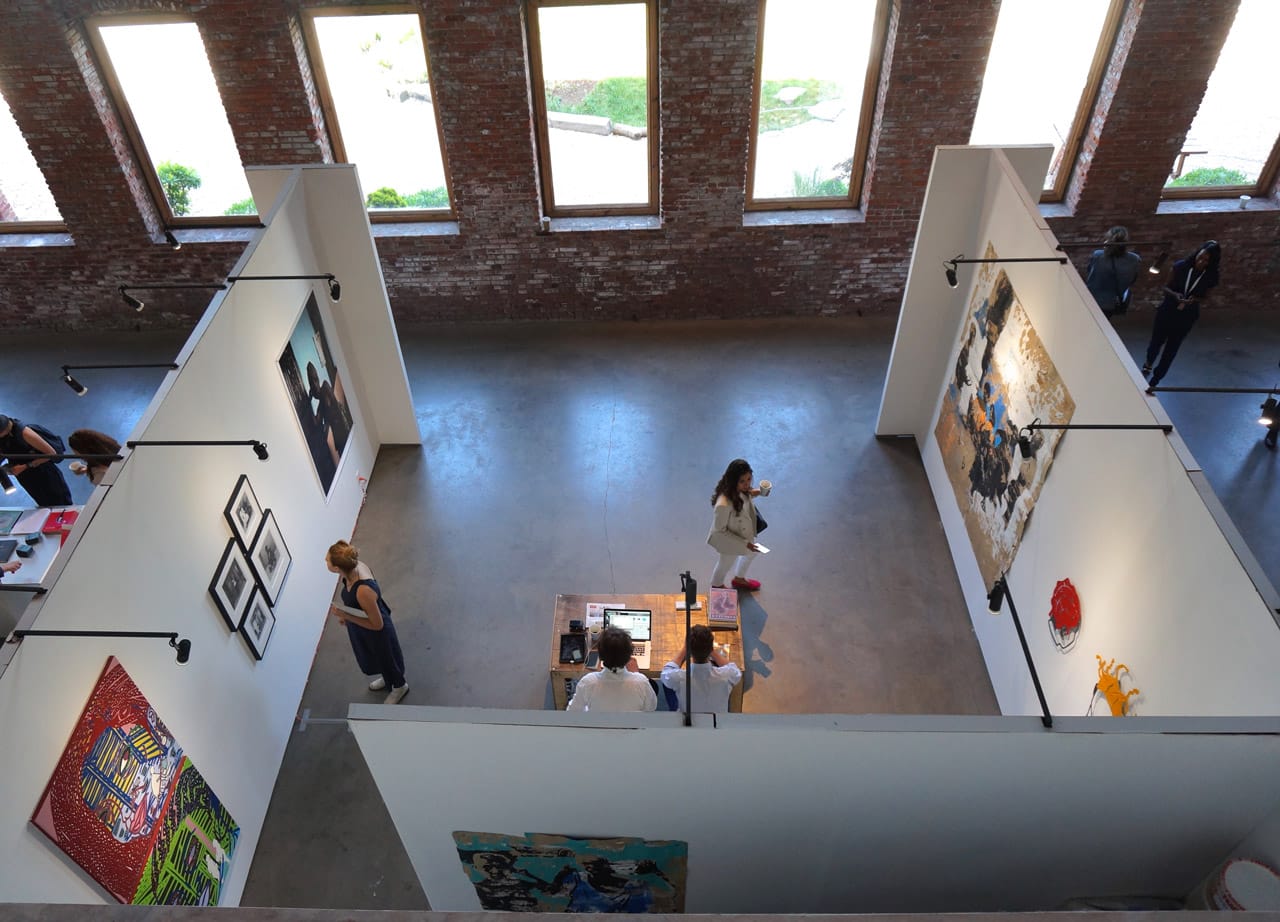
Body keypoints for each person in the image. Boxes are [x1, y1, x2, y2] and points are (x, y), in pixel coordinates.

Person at [325, 540, 409, 704]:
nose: (325, 562)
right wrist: (348, 615)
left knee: (387, 657)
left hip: (375, 630)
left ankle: (399, 686)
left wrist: (347, 616)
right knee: (377, 656)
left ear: (336, 568)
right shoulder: (353, 568)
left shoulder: (363, 590)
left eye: (327, 560)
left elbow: (378, 625)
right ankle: (387, 678)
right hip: (362, 625)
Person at [1143, 240, 1221, 389]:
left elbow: (1206, 297)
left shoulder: (1211, 277)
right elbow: (1165, 287)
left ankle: (1157, 378)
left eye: (1205, 260)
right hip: (1168, 310)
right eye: (1200, 257)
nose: (1201, 261)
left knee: (1172, 349)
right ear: (1196, 254)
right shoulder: (1180, 267)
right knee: (1156, 342)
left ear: (1210, 263)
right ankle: (1148, 363)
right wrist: (1175, 295)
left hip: (1187, 316)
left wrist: (1195, 299)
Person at [565, 626, 656, 712]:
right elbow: (651, 707)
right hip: (631, 727)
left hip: (599, 726)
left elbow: (572, 712)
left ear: (600, 656)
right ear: (629, 657)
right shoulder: (641, 682)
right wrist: (636, 674)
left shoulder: (588, 682)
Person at [708, 458, 764, 591]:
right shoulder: (723, 504)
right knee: (726, 563)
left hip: (743, 533)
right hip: (730, 541)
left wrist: (756, 493)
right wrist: (745, 544)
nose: (747, 484)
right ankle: (717, 585)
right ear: (733, 481)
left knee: (751, 553)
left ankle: (739, 578)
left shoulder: (741, 490)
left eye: (749, 479)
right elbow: (720, 531)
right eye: (742, 481)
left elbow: (744, 497)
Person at [660, 624, 743, 714]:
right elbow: (734, 669)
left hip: (689, 724)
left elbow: (666, 672)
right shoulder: (726, 675)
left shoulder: (678, 678)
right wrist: (711, 650)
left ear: (689, 651)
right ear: (711, 648)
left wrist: (685, 648)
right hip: (716, 723)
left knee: (667, 686)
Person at [0, 414, 71, 507]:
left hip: (44, 475)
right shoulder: (3, 436)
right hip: (26, 478)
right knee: (44, 504)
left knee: (60, 504)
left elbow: (51, 453)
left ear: (4, 429)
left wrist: (26, 466)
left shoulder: (24, 432)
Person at [1085, 225, 1142, 318]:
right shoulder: (1134, 259)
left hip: (1093, 299)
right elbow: (1132, 280)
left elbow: (1090, 273)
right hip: (1113, 302)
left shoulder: (1098, 256)